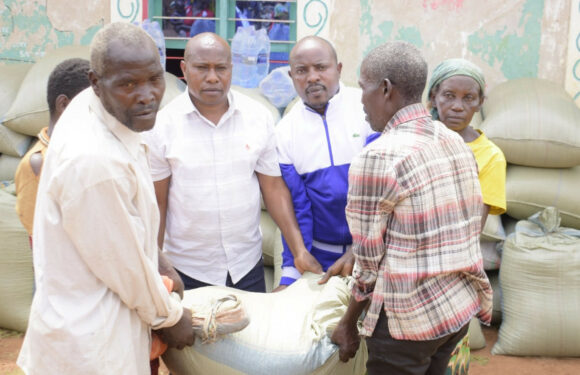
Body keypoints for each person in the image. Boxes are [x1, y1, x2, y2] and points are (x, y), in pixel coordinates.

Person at [17, 22, 194, 375]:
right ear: (96, 82)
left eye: (154, 79)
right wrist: (171, 317)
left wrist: (158, 260)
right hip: (90, 347)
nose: (146, 95)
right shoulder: (93, 160)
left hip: (97, 328)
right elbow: (125, 267)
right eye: (128, 84)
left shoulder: (95, 106)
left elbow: (123, 222)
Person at [331, 41, 493, 375]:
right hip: (456, 312)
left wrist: (348, 324)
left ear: (385, 89)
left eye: (363, 88)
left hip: (407, 325)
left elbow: (367, 268)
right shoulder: (454, 141)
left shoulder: (377, 157)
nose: (360, 99)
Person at [144, 32, 310, 293]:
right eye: (202, 68)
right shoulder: (161, 127)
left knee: (251, 333)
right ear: (184, 69)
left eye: (220, 68)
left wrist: (298, 249)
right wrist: (154, 266)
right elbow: (157, 203)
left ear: (231, 70)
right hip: (187, 270)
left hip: (246, 266)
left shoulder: (258, 117)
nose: (212, 77)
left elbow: (274, 189)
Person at [274, 36, 375, 290]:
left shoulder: (368, 110)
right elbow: (297, 207)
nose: (312, 77)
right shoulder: (285, 132)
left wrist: (360, 249)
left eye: (321, 67)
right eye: (302, 71)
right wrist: (291, 272)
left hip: (374, 251)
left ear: (338, 69)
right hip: (320, 258)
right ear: (291, 76)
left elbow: (383, 192)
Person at [14, 58, 90, 238]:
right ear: (63, 104)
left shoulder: (84, 151)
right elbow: (39, 239)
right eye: (92, 106)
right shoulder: (38, 163)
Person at [427, 58, 507, 227]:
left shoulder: (490, 156)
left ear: (480, 103)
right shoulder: (417, 139)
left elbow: (474, 228)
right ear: (434, 98)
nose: (457, 106)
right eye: (449, 96)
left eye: (468, 98)